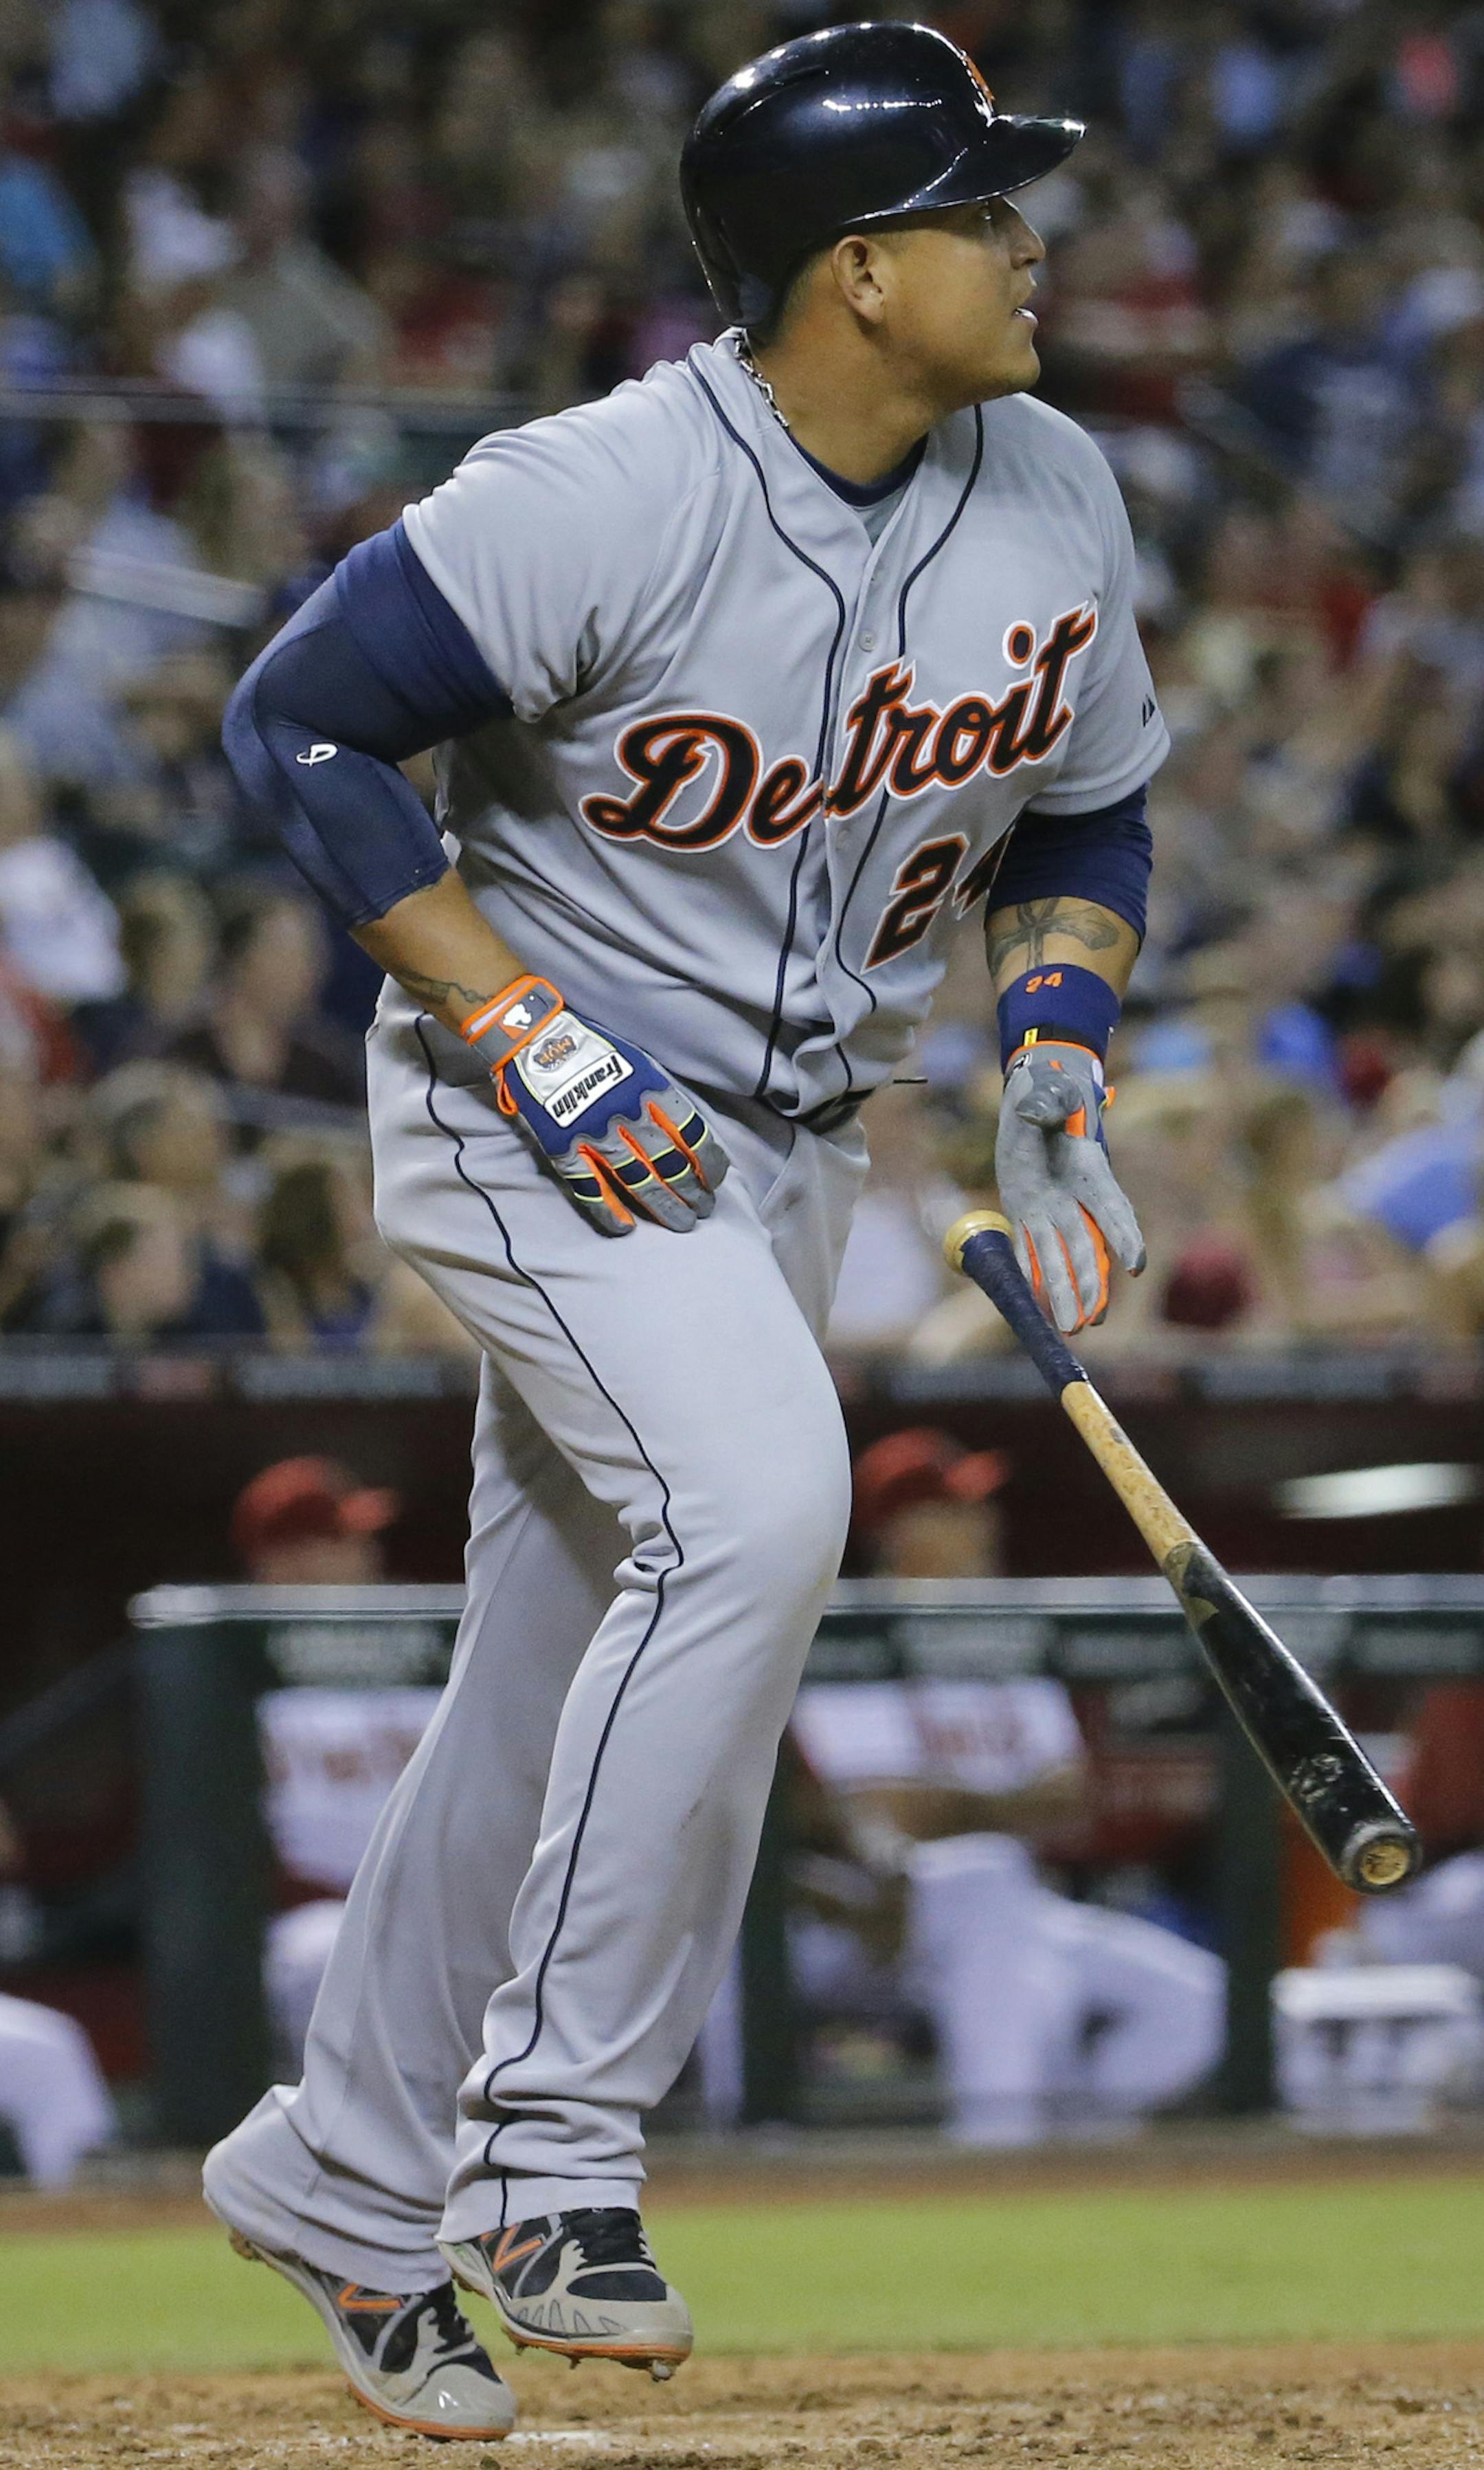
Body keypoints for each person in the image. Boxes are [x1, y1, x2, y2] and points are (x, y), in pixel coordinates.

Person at [205, 23, 1165, 2443]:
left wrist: (1057, 1051)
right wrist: (516, 1016)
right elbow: (302, 726)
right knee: (758, 1515)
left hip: (797, 1136)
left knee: (545, 1676)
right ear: (857, 273)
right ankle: (545, 2151)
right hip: (546, 1114)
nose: (1029, 247)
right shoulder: (601, 492)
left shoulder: (1050, 484)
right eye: (979, 213)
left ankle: (340, 2168)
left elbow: (1090, 822)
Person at [752, 1430, 1224, 2146]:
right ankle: (995, 2148)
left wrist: (954, 1805)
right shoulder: (848, 1632)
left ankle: (1072, 2142)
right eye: (957, 1511)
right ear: (897, 1530)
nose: (984, 1526)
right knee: (990, 1876)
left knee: (1199, 2000)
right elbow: (880, 1820)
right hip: (857, 1922)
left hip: (1005, 1915)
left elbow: (1071, 1800)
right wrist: (1003, 1808)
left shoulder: (1006, 1639)